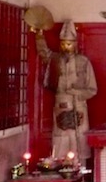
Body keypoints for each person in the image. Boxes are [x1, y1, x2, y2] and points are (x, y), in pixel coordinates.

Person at [36, 20, 97, 164]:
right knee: (60, 138)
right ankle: (59, 166)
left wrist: (76, 93)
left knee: (79, 138)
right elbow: (44, 53)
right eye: (63, 44)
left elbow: (92, 89)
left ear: (75, 44)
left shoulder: (83, 62)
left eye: (69, 44)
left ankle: (80, 168)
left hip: (78, 105)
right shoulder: (55, 59)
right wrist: (39, 35)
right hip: (60, 105)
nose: (66, 47)